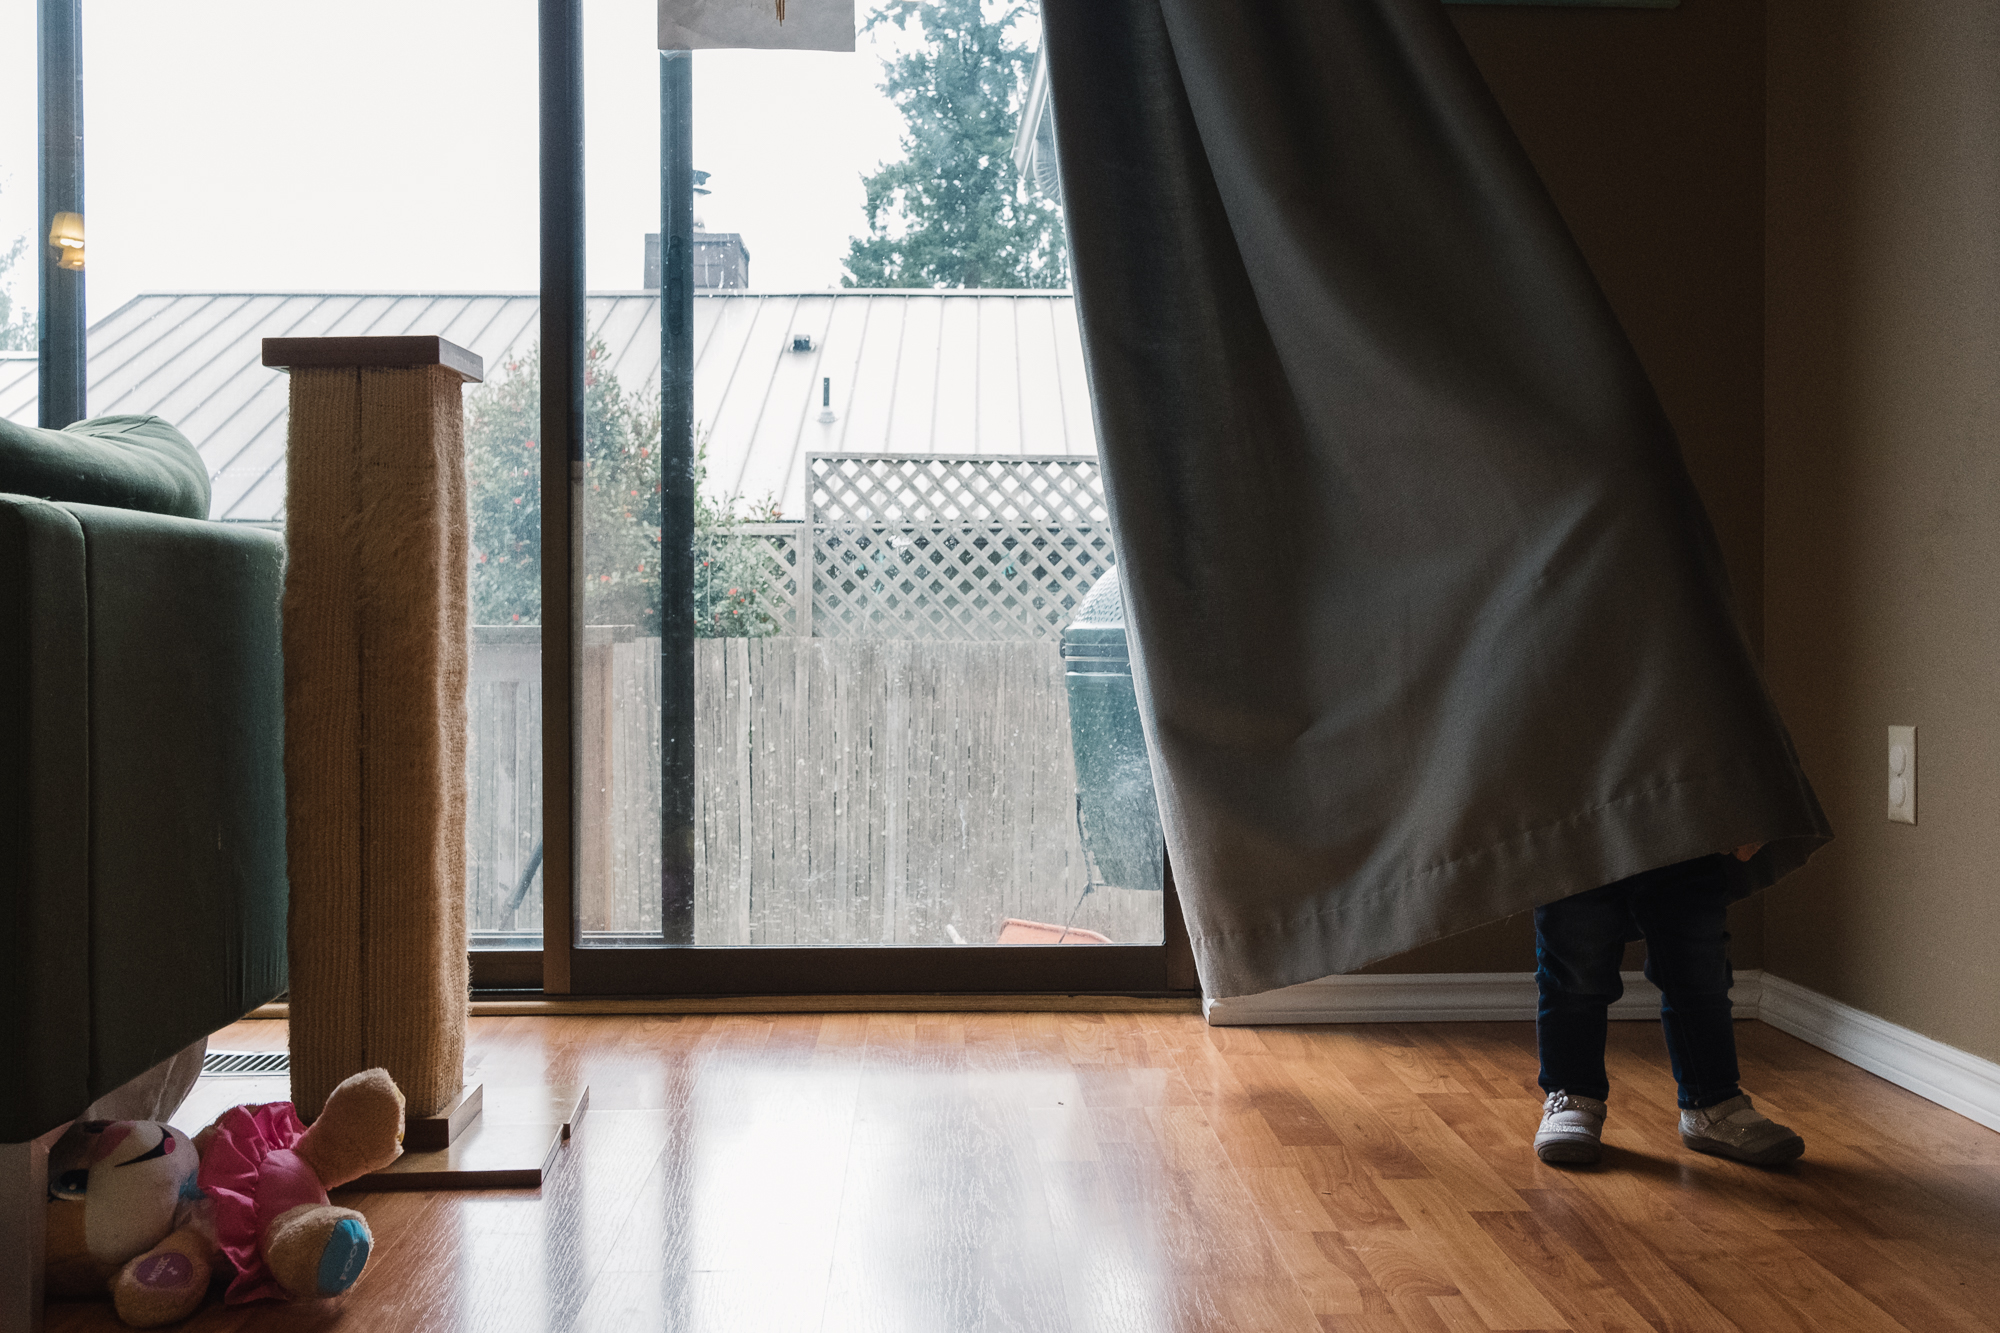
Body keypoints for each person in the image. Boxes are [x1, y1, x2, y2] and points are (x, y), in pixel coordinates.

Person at [1532, 851, 1806, 1167]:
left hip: (1687, 828)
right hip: (1575, 830)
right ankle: (1571, 1098)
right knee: (1574, 966)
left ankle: (1712, 1103)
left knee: (1699, 966)